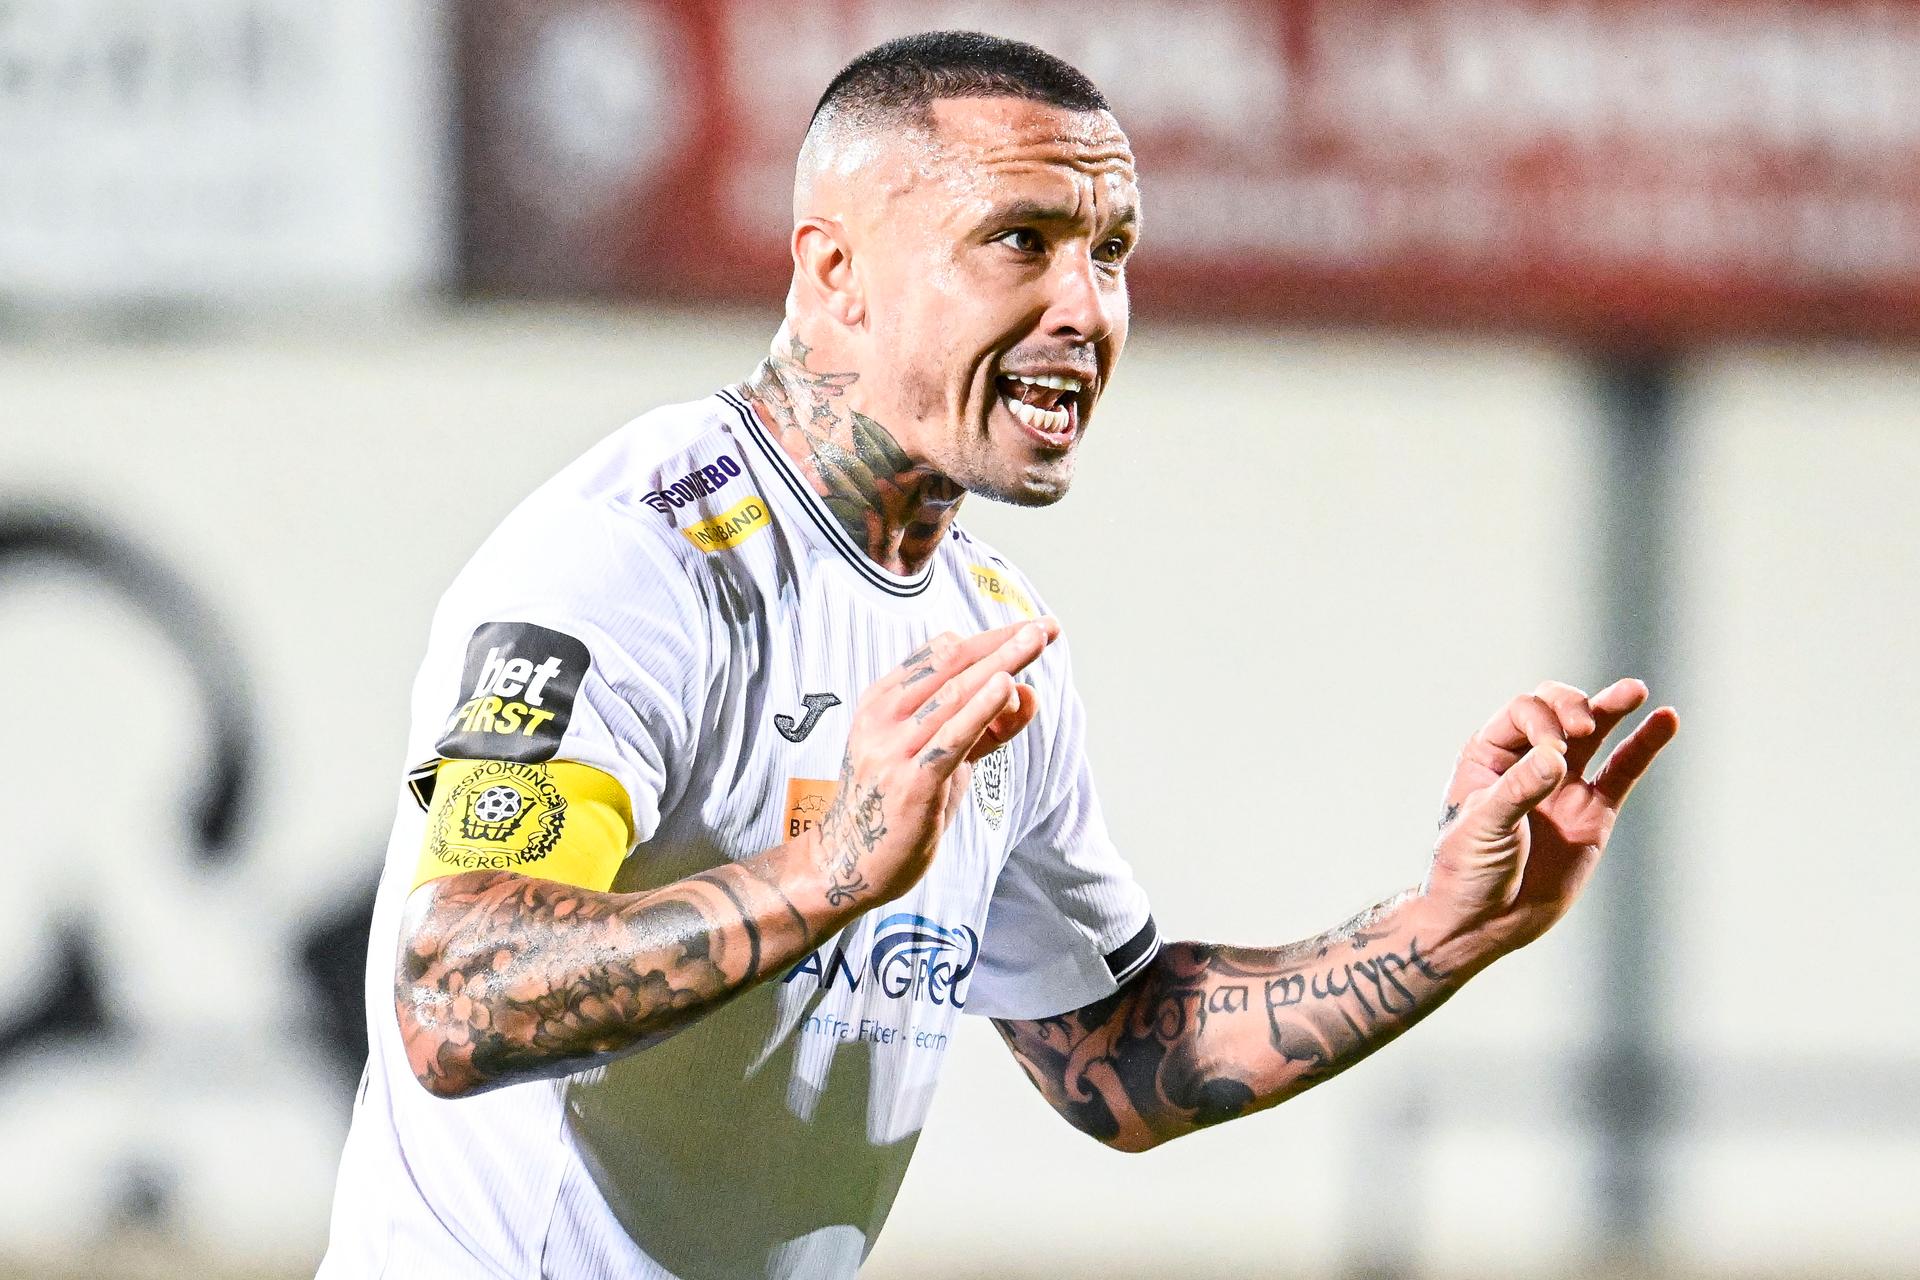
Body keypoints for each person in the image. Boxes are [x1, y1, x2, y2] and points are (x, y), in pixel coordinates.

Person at [317, 30, 1679, 1280]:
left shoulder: (985, 627)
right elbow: (457, 1000)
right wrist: (829, 873)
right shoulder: (632, 563)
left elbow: (1116, 1055)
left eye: (1112, 251)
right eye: (1020, 241)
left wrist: (1449, 925)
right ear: (835, 274)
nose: (1088, 308)